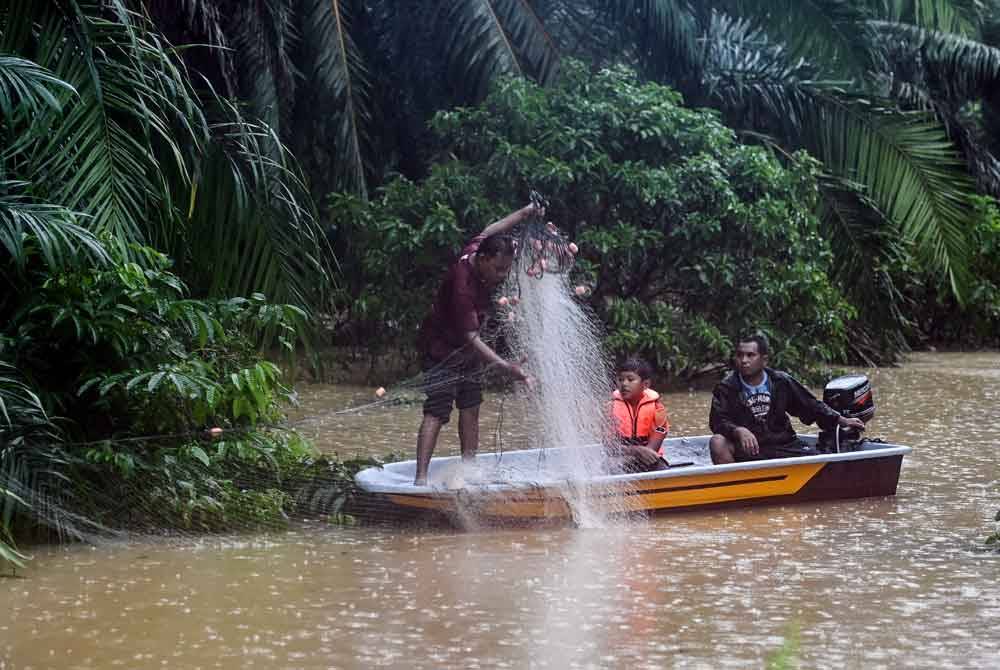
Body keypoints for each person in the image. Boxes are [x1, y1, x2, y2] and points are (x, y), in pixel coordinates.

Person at [413, 202, 541, 485]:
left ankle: (468, 472)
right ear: (483, 259)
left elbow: (492, 229)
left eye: (506, 269)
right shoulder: (462, 286)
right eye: (498, 269)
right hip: (441, 351)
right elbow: (471, 338)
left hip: (467, 354)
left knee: (471, 407)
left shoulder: (477, 249)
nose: (502, 275)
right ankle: (420, 479)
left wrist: (525, 212)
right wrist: (505, 366)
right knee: (437, 411)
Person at [708, 333, 866, 464]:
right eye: (740, 355)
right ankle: (737, 488)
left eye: (750, 355)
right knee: (717, 442)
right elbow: (717, 421)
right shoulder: (726, 387)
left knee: (821, 456)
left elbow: (810, 405)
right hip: (750, 449)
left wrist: (841, 420)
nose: (744, 360)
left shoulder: (781, 381)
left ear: (764, 360)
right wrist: (738, 430)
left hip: (783, 444)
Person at [609, 357, 671, 472]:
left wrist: (637, 452)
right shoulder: (610, 409)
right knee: (611, 466)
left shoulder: (658, 409)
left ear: (645, 384)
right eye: (620, 380)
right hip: (619, 459)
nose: (624, 384)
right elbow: (609, 448)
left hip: (647, 459)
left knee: (659, 466)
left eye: (630, 379)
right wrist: (637, 451)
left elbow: (651, 452)